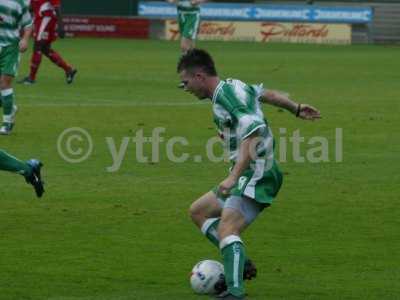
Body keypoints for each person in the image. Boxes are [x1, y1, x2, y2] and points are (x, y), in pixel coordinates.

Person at [177, 49, 321, 299]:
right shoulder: (234, 85)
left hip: (256, 173)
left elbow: (253, 132)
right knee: (198, 212)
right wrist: (295, 108)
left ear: (200, 76)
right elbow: (265, 94)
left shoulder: (226, 98)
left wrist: (234, 176)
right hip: (251, 172)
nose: (185, 88)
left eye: (186, 82)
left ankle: (235, 292)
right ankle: (239, 262)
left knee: (227, 228)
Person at [18, 0, 77, 85]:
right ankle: (68, 70)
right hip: (40, 19)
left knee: (38, 46)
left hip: (46, 19)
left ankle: (31, 78)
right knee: (45, 49)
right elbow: (32, 7)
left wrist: (61, 26)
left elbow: (57, 7)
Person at [0, 0, 33, 135]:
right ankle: (11, 108)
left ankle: (7, 123)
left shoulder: (20, 3)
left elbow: (28, 24)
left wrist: (25, 39)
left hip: (11, 47)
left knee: (4, 83)